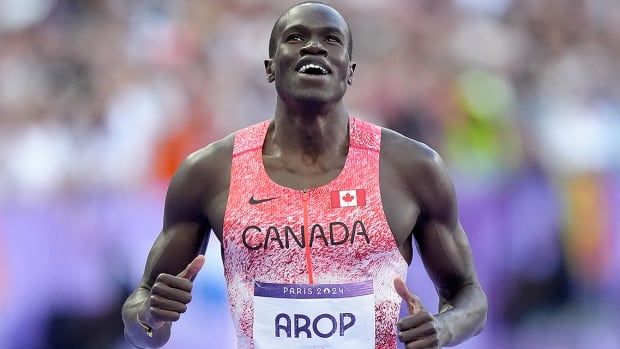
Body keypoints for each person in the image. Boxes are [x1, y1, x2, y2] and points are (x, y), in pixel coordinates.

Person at [122, 2, 487, 348]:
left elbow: (469, 295)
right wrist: (152, 316)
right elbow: (139, 323)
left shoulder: (412, 168)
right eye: (295, 37)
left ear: (350, 70)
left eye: (331, 39)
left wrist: (443, 328)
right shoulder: (210, 173)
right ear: (269, 67)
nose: (314, 46)